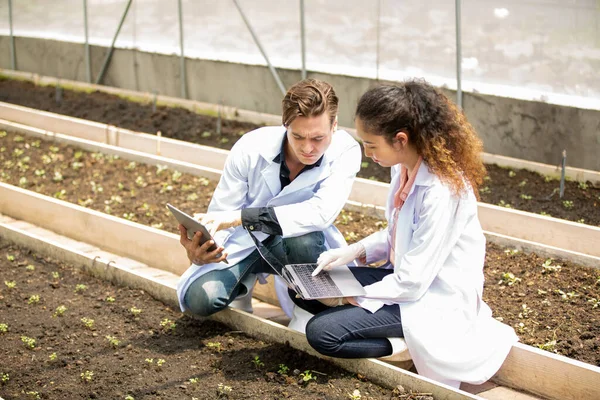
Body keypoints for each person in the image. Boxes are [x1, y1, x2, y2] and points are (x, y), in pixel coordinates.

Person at [292, 80, 518, 388]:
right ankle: (374, 321)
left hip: (433, 298)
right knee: (307, 292)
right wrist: (352, 252)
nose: (367, 152)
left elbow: (413, 282)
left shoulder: (441, 191)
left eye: (371, 144)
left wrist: (351, 296)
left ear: (400, 139)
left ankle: (403, 347)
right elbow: (396, 235)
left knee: (322, 333)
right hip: (405, 284)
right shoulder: (403, 168)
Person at [176, 78, 362, 319]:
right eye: (298, 137)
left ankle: (305, 302)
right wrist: (205, 251)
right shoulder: (250, 147)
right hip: (246, 242)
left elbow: (320, 213)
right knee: (200, 299)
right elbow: (223, 210)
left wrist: (241, 218)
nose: (307, 148)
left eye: (317, 138)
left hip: (300, 245)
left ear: (334, 125)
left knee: (302, 240)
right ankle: (242, 285)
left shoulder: (345, 151)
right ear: (285, 125)